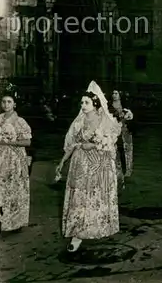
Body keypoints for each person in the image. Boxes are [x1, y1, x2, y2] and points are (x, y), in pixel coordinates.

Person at [55, 81, 121, 252]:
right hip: (80, 164)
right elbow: (72, 145)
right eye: (82, 103)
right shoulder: (79, 122)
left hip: (99, 164)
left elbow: (110, 143)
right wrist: (62, 162)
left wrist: (94, 145)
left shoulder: (104, 121)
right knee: (79, 197)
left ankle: (95, 227)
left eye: (86, 103)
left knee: (95, 196)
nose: (83, 106)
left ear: (95, 104)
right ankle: (76, 234)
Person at [0, 85, 32, 232]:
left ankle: (13, 221)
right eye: (4, 102)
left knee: (13, 189)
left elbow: (27, 142)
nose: (6, 105)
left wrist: (9, 142)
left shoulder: (20, 121)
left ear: (14, 104)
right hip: (0, 156)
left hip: (14, 159)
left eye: (9, 102)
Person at [108, 90, 134, 186]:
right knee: (116, 150)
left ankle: (127, 169)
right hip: (113, 130)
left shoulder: (125, 105)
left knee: (127, 150)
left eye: (116, 93)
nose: (114, 95)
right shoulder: (109, 105)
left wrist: (127, 117)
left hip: (124, 130)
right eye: (113, 93)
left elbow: (131, 117)